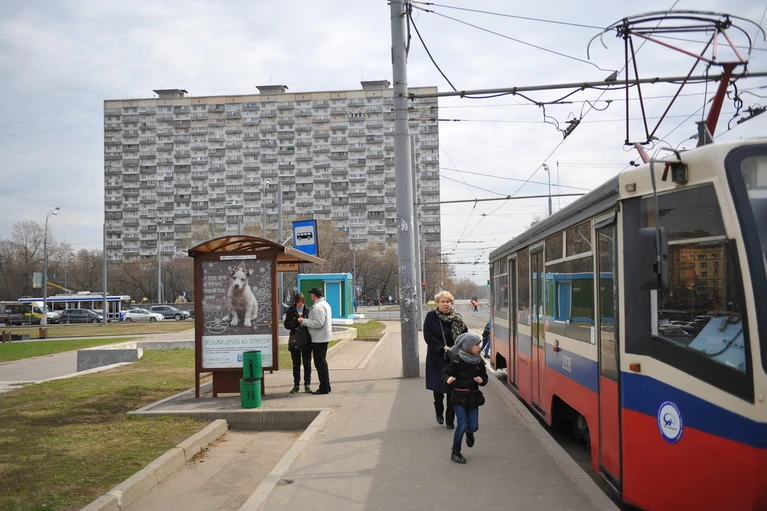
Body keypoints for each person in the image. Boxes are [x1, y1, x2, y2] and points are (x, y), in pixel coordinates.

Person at [423, 290, 468, 429]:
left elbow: (464, 335)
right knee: (438, 389)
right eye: (443, 301)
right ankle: (439, 411)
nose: (446, 304)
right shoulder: (431, 316)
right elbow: (428, 336)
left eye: (448, 301)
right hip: (437, 357)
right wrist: (442, 346)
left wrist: (458, 348)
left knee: (452, 389)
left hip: (453, 358)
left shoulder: (457, 317)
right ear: (438, 303)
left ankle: (450, 420)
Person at [442, 332, 488, 464]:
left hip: (473, 398)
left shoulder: (479, 362)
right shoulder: (457, 361)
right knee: (461, 425)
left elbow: (484, 378)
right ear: (468, 347)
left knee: (473, 427)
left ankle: (470, 432)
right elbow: (445, 372)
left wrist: (482, 380)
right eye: (476, 345)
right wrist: (448, 379)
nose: (480, 347)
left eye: (479, 344)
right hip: (459, 397)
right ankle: (455, 452)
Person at [299, 287, 332, 394]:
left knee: (320, 364)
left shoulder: (318, 307)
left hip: (319, 338)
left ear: (314, 295)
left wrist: (304, 321)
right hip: (324, 337)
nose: (310, 296)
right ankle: (326, 385)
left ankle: (324, 387)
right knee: (322, 363)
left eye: (311, 294)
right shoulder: (325, 304)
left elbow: (318, 323)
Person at [283, 292, 313, 394]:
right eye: (298, 302)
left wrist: (304, 321)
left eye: (302, 302)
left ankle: (307, 384)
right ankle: (296, 385)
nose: (300, 304)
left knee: (307, 364)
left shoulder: (308, 310)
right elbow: (287, 325)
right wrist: (296, 321)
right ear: (295, 302)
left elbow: (312, 323)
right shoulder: (291, 310)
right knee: (296, 364)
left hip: (306, 339)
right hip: (295, 339)